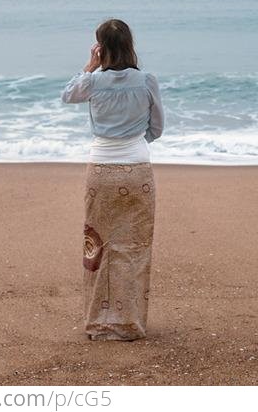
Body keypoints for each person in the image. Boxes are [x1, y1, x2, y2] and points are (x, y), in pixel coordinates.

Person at [61, 18, 165, 341]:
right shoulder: (147, 81)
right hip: (137, 171)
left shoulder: (92, 83)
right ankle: (130, 324)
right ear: (130, 45)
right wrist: (133, 143)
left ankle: (99, 324)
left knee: (98, 245)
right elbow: (157, 129)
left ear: (101, 48)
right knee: (134, 247)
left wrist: (90, 66)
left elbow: (68, 95)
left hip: (100, 171)